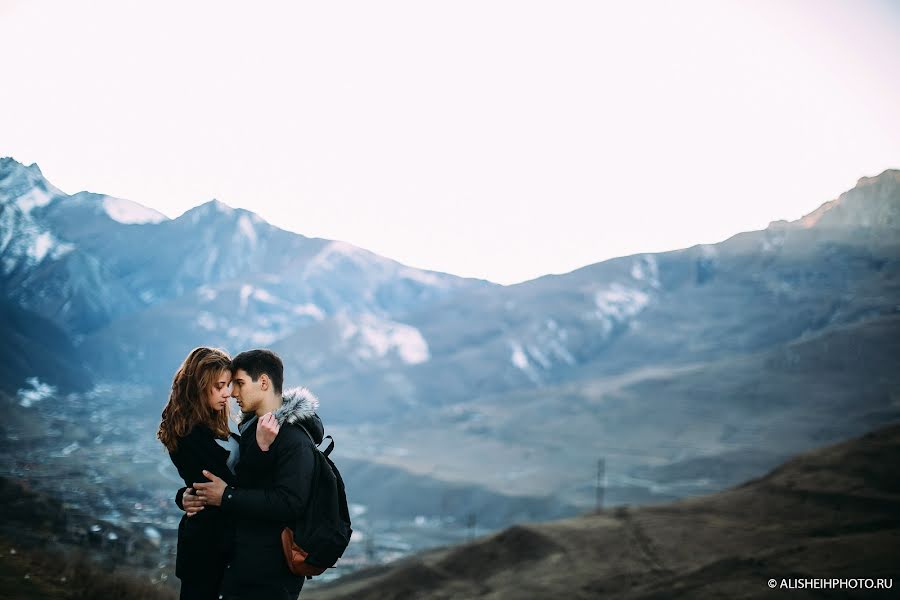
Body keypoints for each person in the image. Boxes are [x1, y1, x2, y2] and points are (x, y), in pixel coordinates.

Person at [190, 349, 323, 600]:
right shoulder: (253, 430)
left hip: (270, 573)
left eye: (239, 384)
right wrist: (188, 495)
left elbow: (290, 503)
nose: (232, 393)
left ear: (263, 382)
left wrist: (226, 497)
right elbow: (242, 480)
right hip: (244, 563)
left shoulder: (294, 440)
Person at [157, 347, 238, 600]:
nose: (228, 393)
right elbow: (224, 483)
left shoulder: (213, 424)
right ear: (199, 387)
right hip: (207, 549)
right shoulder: (187, 435)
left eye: (229, 385)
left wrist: (184, 494)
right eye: (220, 385)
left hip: (221, 545)